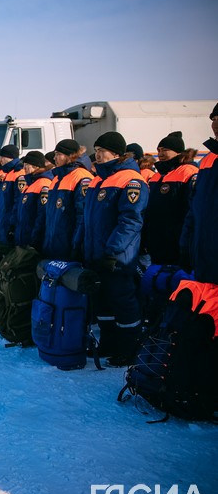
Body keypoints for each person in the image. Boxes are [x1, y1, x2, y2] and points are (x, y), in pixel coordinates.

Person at [76, 131, 148, 366]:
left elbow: (130, 221)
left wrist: (113, 252)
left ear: (116, 153)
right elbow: (88, 220)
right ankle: (108, 343)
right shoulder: (99, 179)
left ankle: (129, 348)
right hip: (96, 254)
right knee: (103, 302)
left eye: (101, 152)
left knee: (122, 302)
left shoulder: (131, 179)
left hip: (118, 257)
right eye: (95, 152)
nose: (96, 156)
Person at [142, 132, 197, 266]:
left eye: (165, 150)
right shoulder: (157, 176)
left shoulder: (188, 172)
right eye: (159, 150)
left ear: (178, 152)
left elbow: (192, 211)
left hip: (177, 242)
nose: (160, 153)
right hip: (158, 242)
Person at [180, 102, 218, 283]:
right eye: (214, 119)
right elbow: (195, 208)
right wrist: (186, 245)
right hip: (205, 255)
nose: (216, 125)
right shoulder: (208, 160)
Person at [40, 139, 93, 261]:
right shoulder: (57, 178)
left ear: (70, 156)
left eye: (59, 154)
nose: (55, 158)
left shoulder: (81, 177)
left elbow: (82, 216)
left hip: (68, 245)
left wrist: (76, 245)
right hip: (54, 244)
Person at [14, 151, 53, 251]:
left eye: (27, 165)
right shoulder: (31, 183)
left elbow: (42, 215)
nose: (24, 168)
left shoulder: (43, 183)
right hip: (25, 235)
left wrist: (35, 238)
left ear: (36, 166)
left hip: (32, 238)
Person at [0, 144, 23, 245]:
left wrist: (12, 223)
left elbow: (17, 201)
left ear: (10, 157)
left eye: (2, 157)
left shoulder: (18, 174)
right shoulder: (8, 173)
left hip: (9, 221)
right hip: (4, 220)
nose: (0, 160)